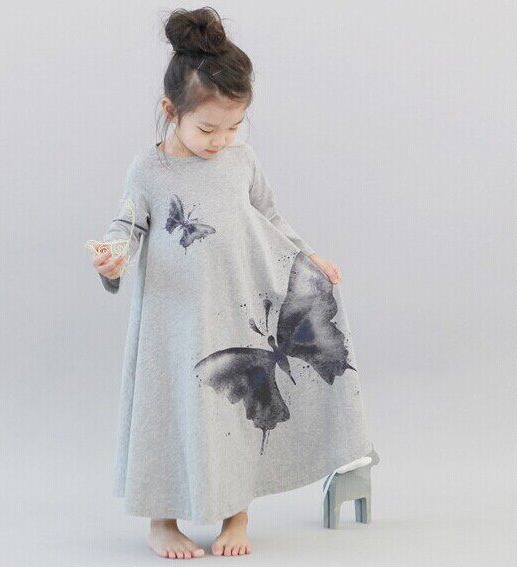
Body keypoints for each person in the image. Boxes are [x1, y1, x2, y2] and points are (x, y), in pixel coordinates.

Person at [89, 6, 373, 560]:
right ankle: (162, 522)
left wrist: (309, 256)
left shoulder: (241, 160)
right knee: (169, 409)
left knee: (236, 413)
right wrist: (112, 259)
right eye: (207, 128)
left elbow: (270, 217)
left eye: (233, 127)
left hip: (237, 305)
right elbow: (126, 229)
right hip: (172, 318)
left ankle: (236, 515)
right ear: (171, 111)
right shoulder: (148, 170)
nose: (221, 140)